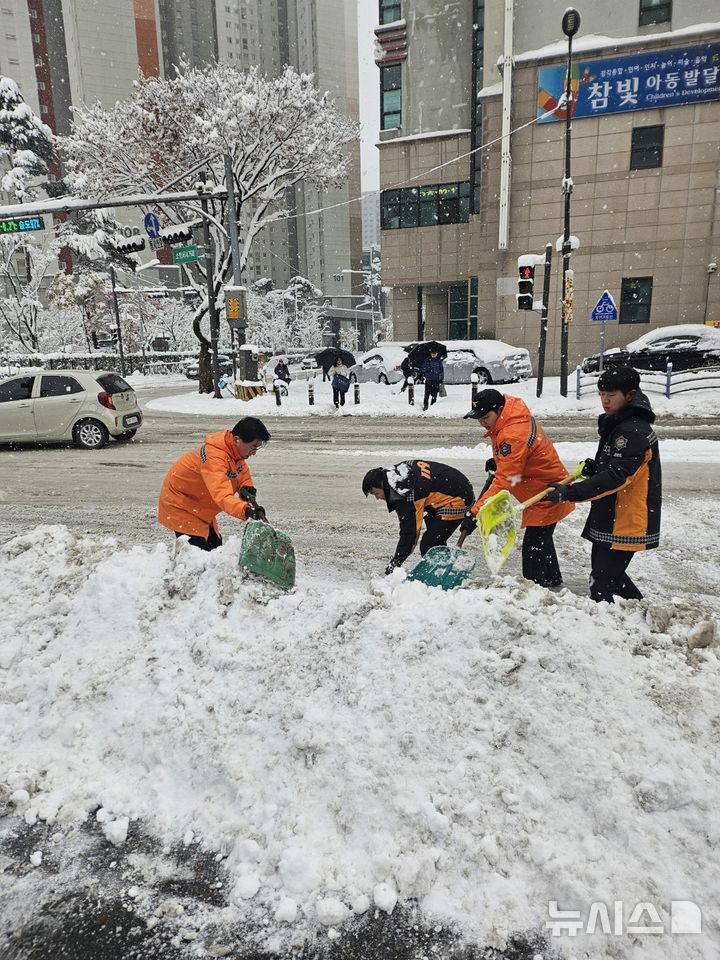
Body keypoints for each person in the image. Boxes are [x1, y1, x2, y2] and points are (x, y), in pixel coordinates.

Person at [542, 365, 661, 603]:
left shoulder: (631, 431)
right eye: (602, 394)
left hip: (626, 516)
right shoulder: (622, 422)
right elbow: (615, 467)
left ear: (630, 395)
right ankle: (641, 612)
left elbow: (619, 476)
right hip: (613, 512)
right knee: (611, 576)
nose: (605, 401)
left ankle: (604, 621)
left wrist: (570, 493)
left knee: (601, 579)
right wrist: (594, 468)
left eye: (611, 395)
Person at [459, 389, 575, 588]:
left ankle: (534, 590)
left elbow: (505, 480)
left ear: (500, 409)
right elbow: (518, 459)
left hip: (546, 493)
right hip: (543, 487)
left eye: (486, 417)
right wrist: (500, 461)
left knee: (532, 548)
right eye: (479, 418)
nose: (482, 423)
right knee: (542, 541)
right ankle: (551, 579)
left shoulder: (512, 434)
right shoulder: (513, 416)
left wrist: (475, 512)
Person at [158, 417, 270, 551]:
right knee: (197, 554)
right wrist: (245, 509)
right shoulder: (215, 457)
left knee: (215, 547)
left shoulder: (233, 451)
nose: (254, 453)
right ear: (237, 439)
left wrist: (245, 486)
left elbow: (240, 470)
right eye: (253, 447)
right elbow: (221, 495)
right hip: (181, 504)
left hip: (200, 505)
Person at [363, 460, 475, 575]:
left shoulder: (405, 494)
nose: (377, 498)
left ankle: (437, 575)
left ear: (382, 485)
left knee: (429, 543)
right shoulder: (398, 476)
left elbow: (409, 534)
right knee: (435, 533)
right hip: (453, 488)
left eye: (376, 493)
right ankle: (441, 564)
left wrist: (395, 564)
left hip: (458, 499)